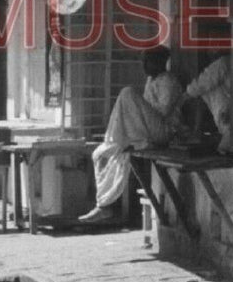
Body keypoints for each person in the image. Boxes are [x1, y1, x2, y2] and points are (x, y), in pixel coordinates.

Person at [78, 45, 183, 223]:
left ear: (159, 62)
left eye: (147, 61)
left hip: (164, 132)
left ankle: (116, 141)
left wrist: (140, 109)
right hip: (151, 130)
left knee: (127, 93)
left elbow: (163, 112)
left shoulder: (169, 81)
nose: (144, 65)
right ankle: (104, 204)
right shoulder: (151, 81)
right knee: (103, 155)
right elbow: (142, 114)